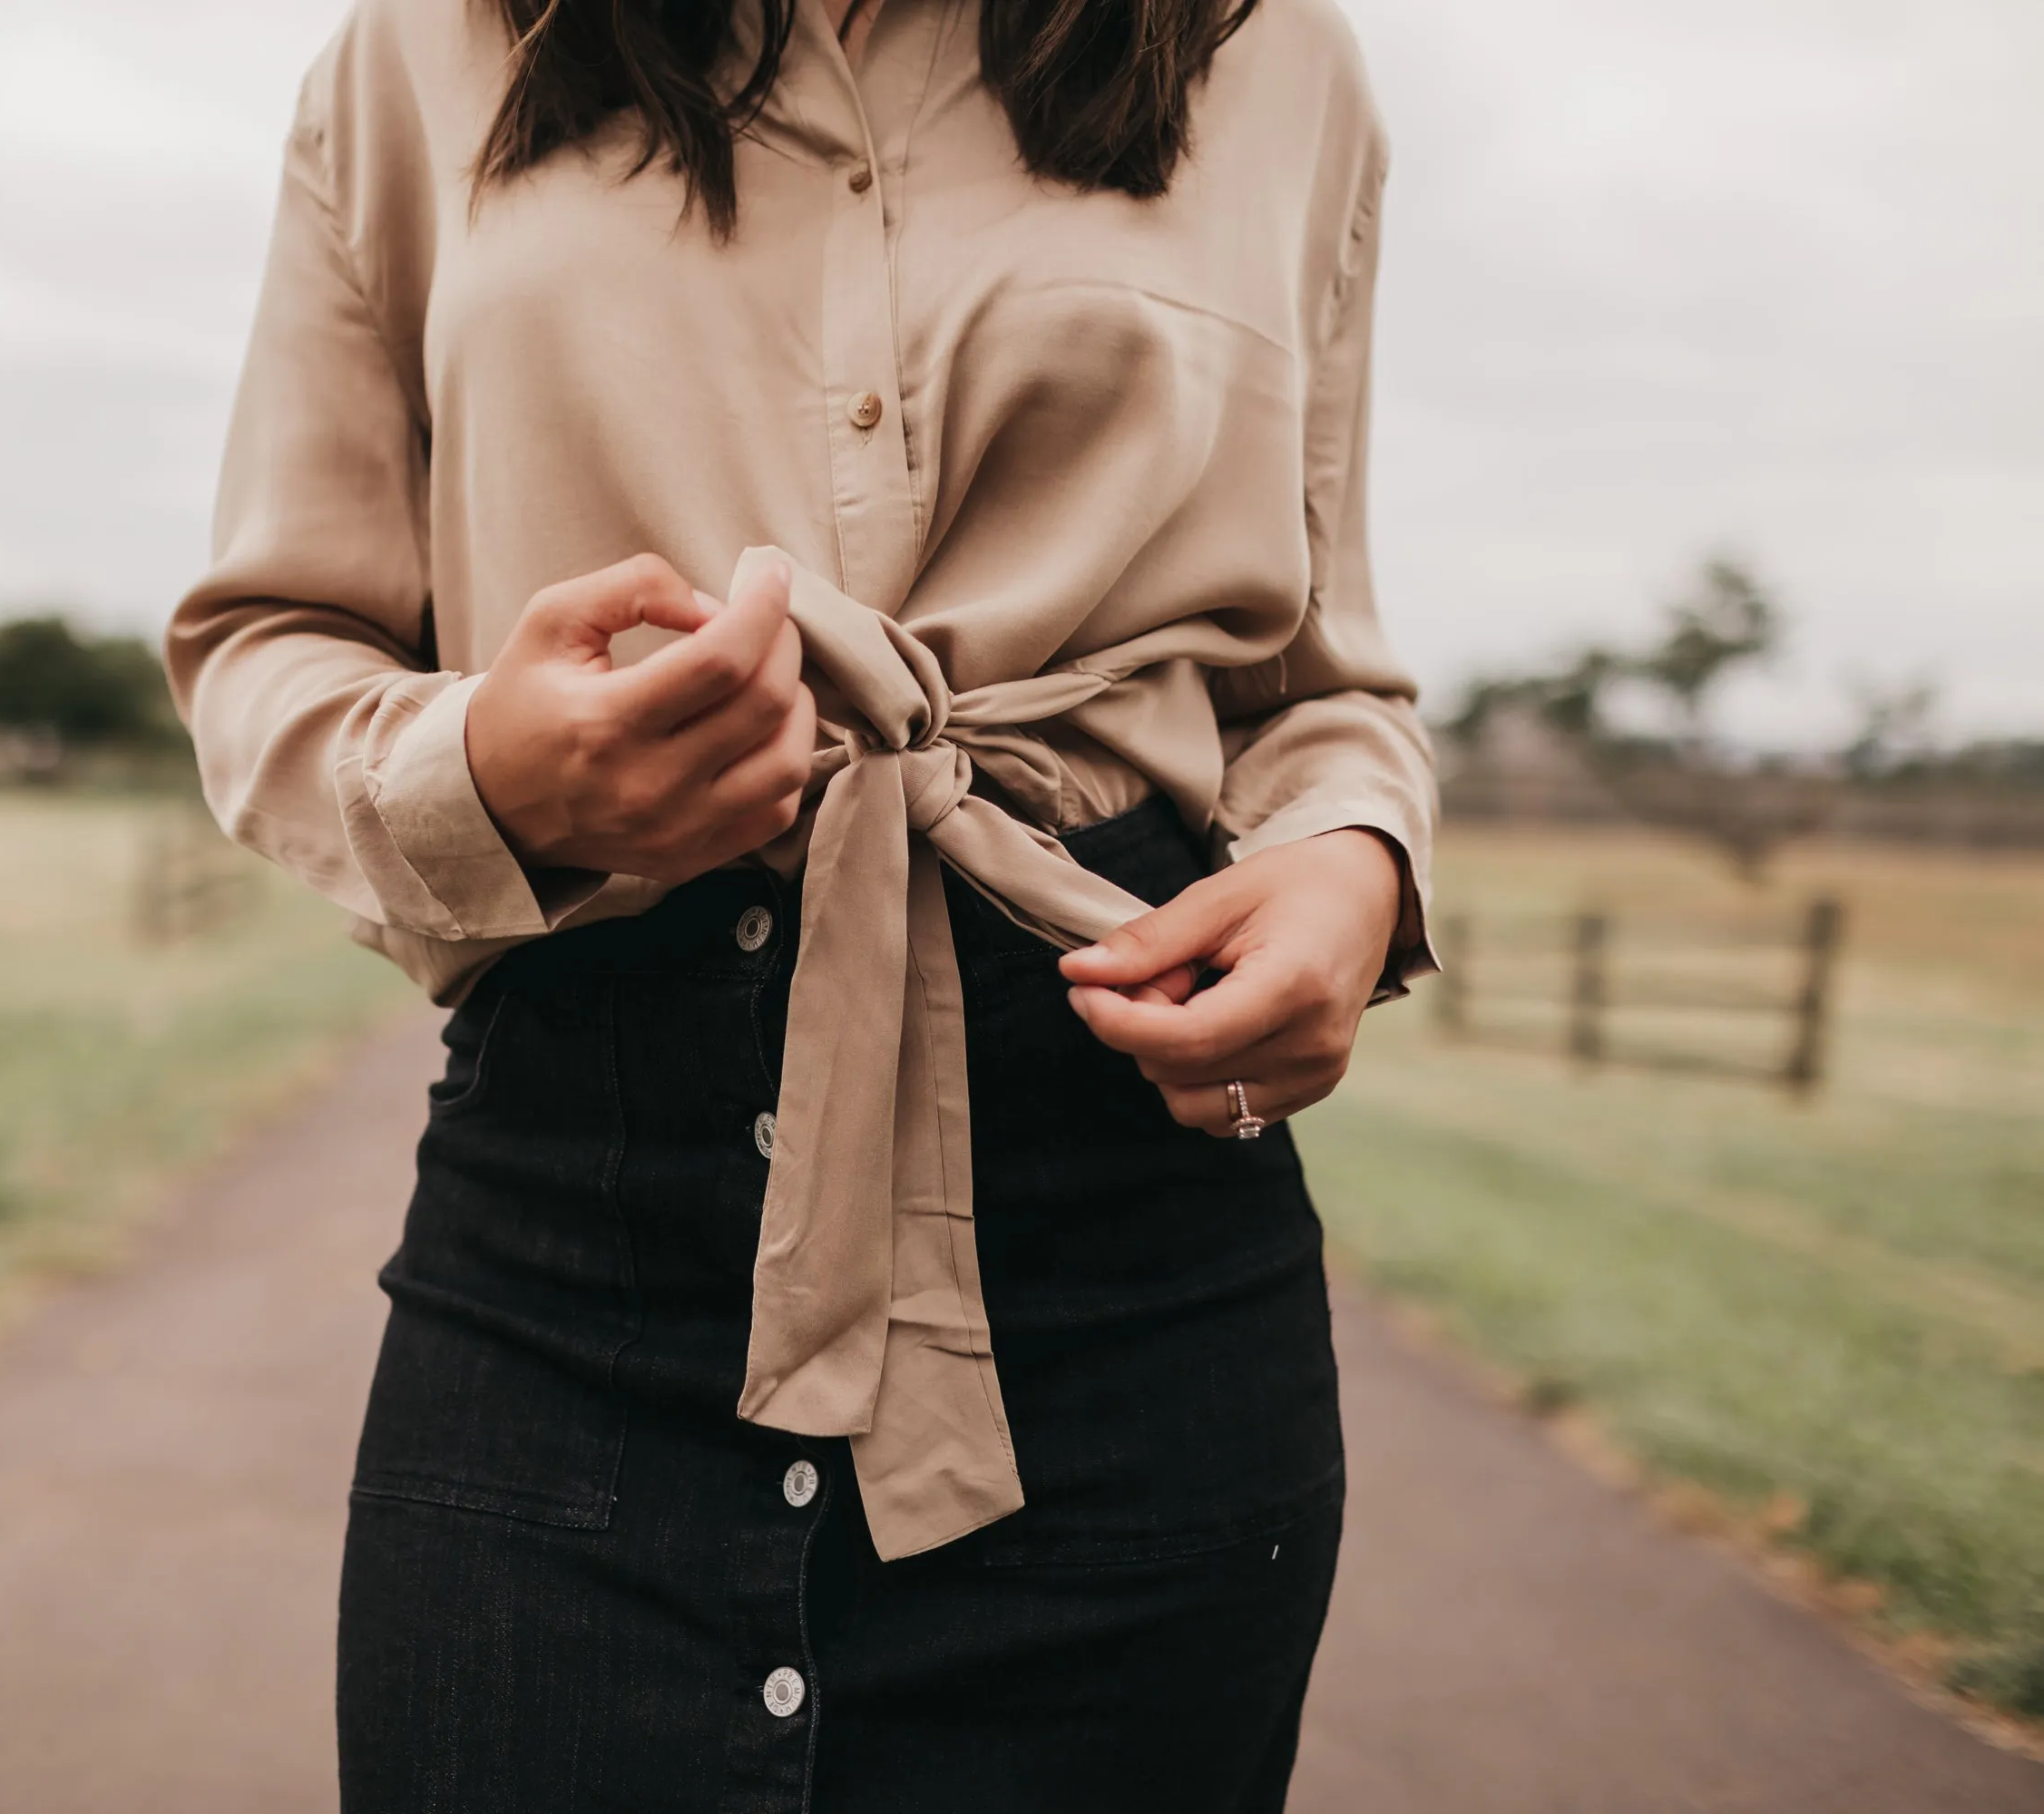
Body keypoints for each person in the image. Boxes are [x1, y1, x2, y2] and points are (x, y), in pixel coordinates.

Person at [167, 0, 1437, 1801]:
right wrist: (495, 776)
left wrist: (1349, 863)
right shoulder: (424, 48)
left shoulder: (1272, 52)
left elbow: (1321, 681)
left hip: (1127, 1284)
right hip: (574, 1266)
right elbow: (268, 640)